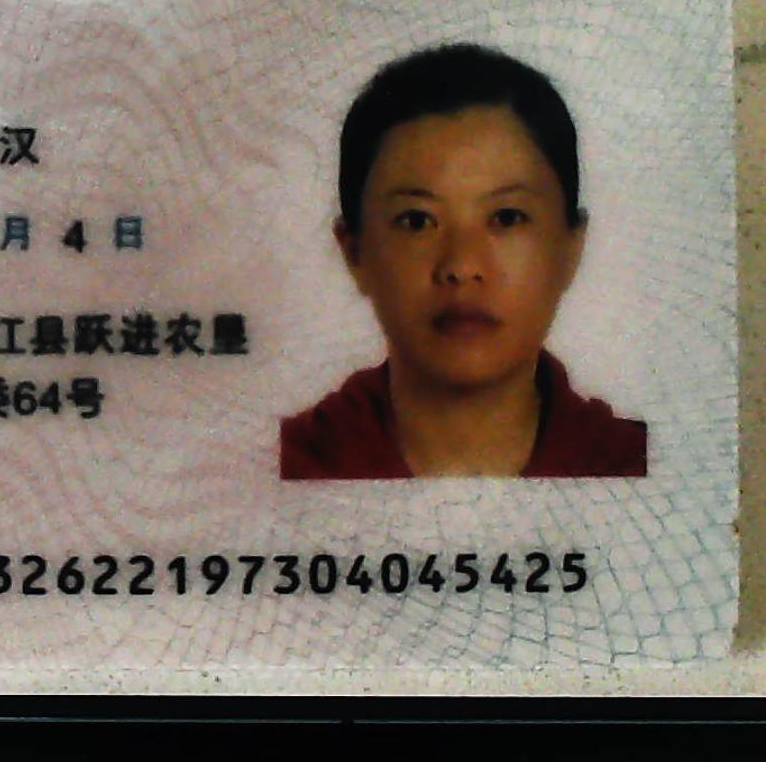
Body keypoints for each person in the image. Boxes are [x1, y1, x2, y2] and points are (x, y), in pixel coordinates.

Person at [277, 43, 648, 480]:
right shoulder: (279, 468)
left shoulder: (639, 467)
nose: (462, 266)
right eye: (417, 221)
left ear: (571, 248)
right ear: (355, 253)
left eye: (506, 217)